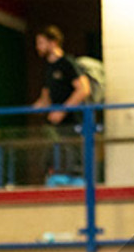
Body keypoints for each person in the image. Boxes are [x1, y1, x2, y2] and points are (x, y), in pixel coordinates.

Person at [32, 25, 91, 177]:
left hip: (73, 122)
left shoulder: (67, 63)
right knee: (55, 154)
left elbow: (83, 89)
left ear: (53, 43)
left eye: (41, 42)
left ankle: (78, 182)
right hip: (57, 126)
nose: (38, 47)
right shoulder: (48, 67)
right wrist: (38, 107)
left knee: (75, 157)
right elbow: (45, 96)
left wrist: (62, 110)